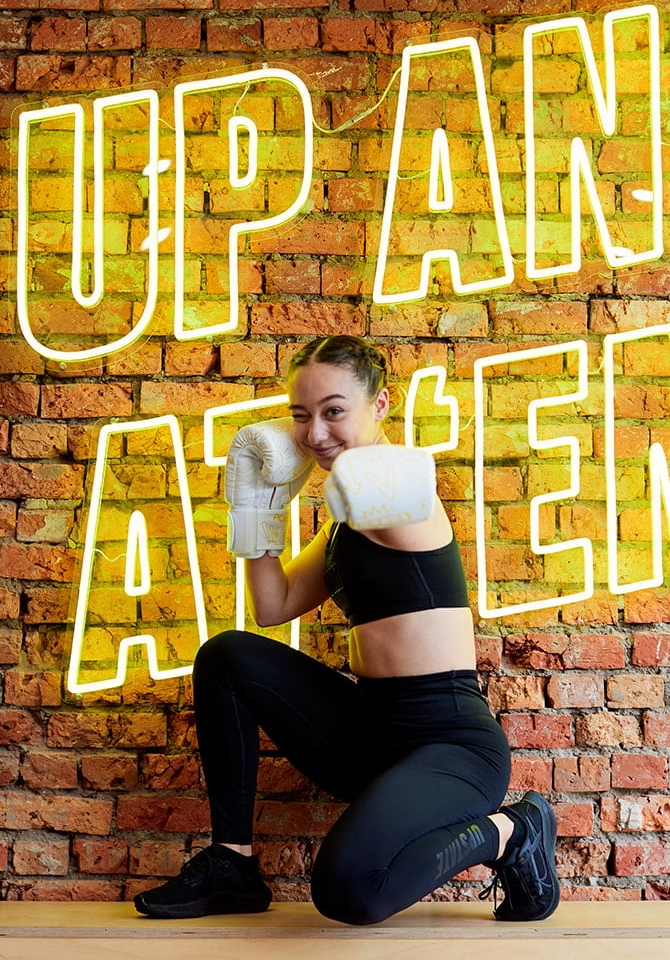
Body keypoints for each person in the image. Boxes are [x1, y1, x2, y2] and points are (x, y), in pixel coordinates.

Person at [133, 335, 560, 926]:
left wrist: (336, 465)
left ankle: (513, 831)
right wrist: (258, 504)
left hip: (449, 746)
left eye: (334, 411)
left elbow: (393, 484)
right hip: (370, 735)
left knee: (347, 891)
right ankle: (232, 864)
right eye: (300, 415)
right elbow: (271, 604)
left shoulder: (403, 497)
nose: (313, 434)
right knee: (227, 657)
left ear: (381, 404)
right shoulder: (341, 526)